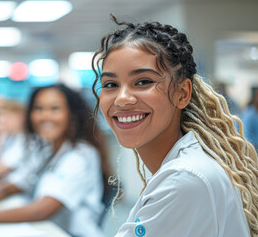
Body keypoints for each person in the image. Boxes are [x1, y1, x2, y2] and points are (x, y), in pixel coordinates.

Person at [92, 15, 258, 236]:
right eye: (110, 84)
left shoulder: (184, 178)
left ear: (183, 93)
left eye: (143, 82)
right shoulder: (185, 168)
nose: (122, 99)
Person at [0, 84, 112, 237]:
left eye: (54, 109)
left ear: (72, 115)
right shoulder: (46, 149)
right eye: (38, 109)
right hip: (47, 230)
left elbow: (42, 209)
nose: (44, 116)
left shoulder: (81, 155)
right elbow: (12, 185)